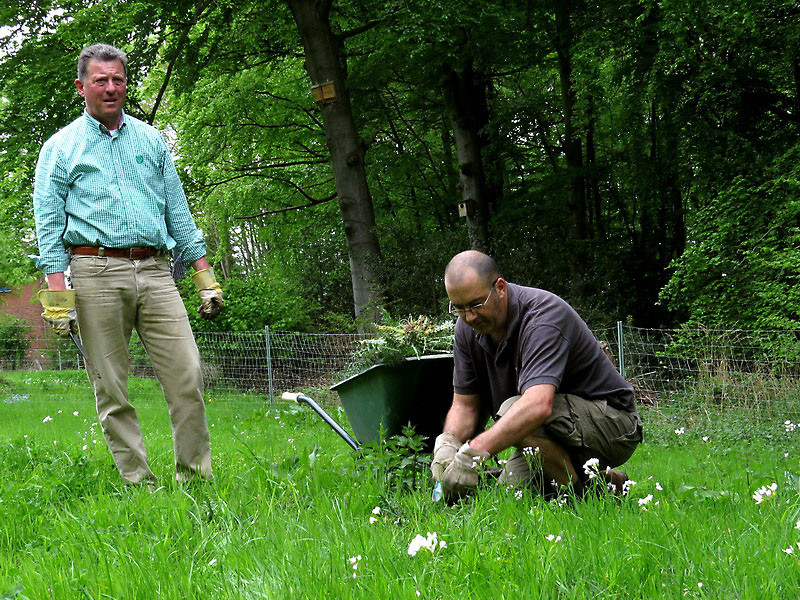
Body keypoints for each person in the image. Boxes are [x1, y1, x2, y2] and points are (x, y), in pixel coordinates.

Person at [33, 43, 224, 486]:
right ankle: (140, 484)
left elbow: (178, 211)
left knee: (188, 375)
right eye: (101, 80)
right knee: (112, 388)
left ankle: (195, 479)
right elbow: (48, 226)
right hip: (94, 271)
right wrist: (58, 297)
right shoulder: (60, 148)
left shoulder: (151, 139)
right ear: (82, 87)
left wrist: (205, 277)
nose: (111, 87)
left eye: (118, 79)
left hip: (157, 272)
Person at [431, 250, 642, 501]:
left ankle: (578, 499)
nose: (469, 316)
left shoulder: (543, 316)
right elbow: (464, 405)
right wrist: (448, 443)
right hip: (546, 428)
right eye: (459, 308)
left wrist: (472, 454)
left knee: (515, 410)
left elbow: (537, 406)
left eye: (476, 304)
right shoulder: (466, 328)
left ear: (500, 288)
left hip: (612, 425)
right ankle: (604, 484)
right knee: (506, 499)